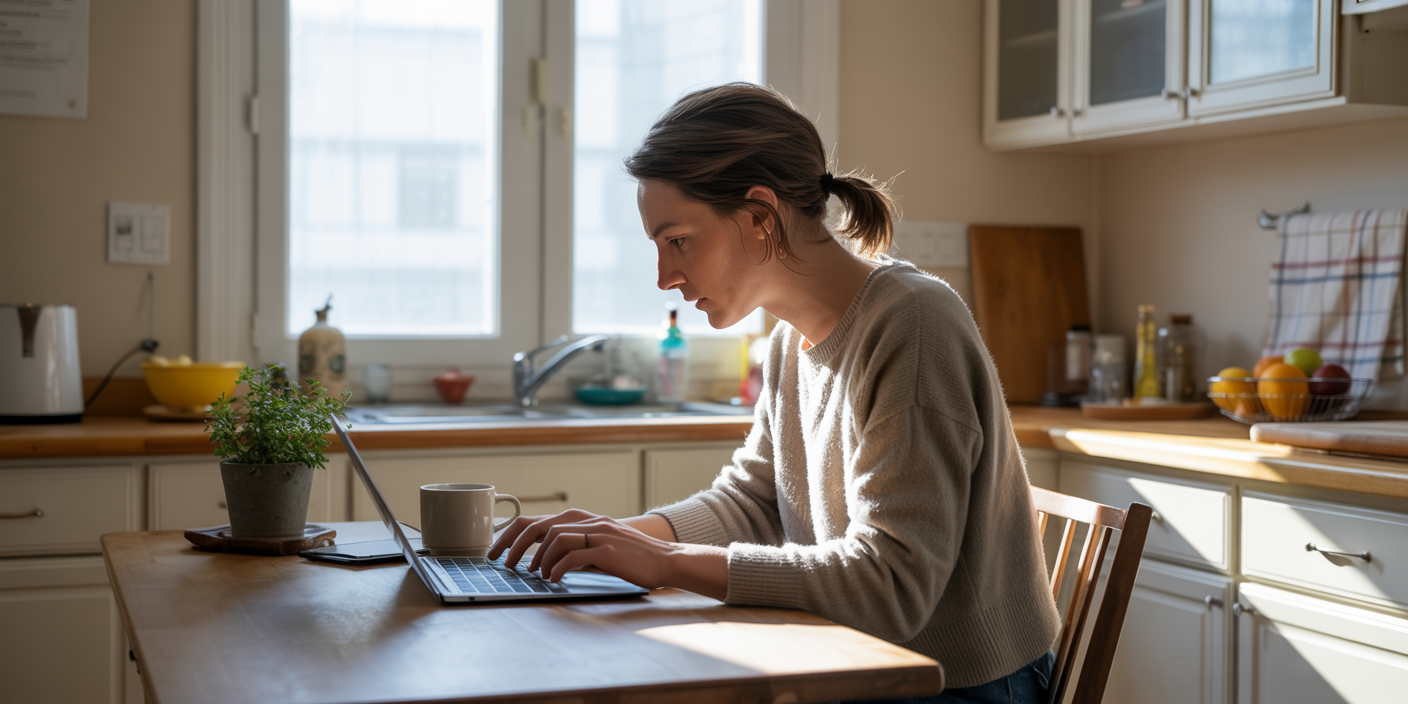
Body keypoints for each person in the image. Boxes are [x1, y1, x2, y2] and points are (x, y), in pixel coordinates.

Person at [489, 83, 1060, 704]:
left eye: (677, 240)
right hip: (862, 659)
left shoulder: (914, 324)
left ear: (760, 216)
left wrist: (665, 562)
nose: (665, 276)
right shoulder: (789, 340)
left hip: (964, 684)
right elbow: (757, 500)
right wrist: (615, 539)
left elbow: (892, 584)